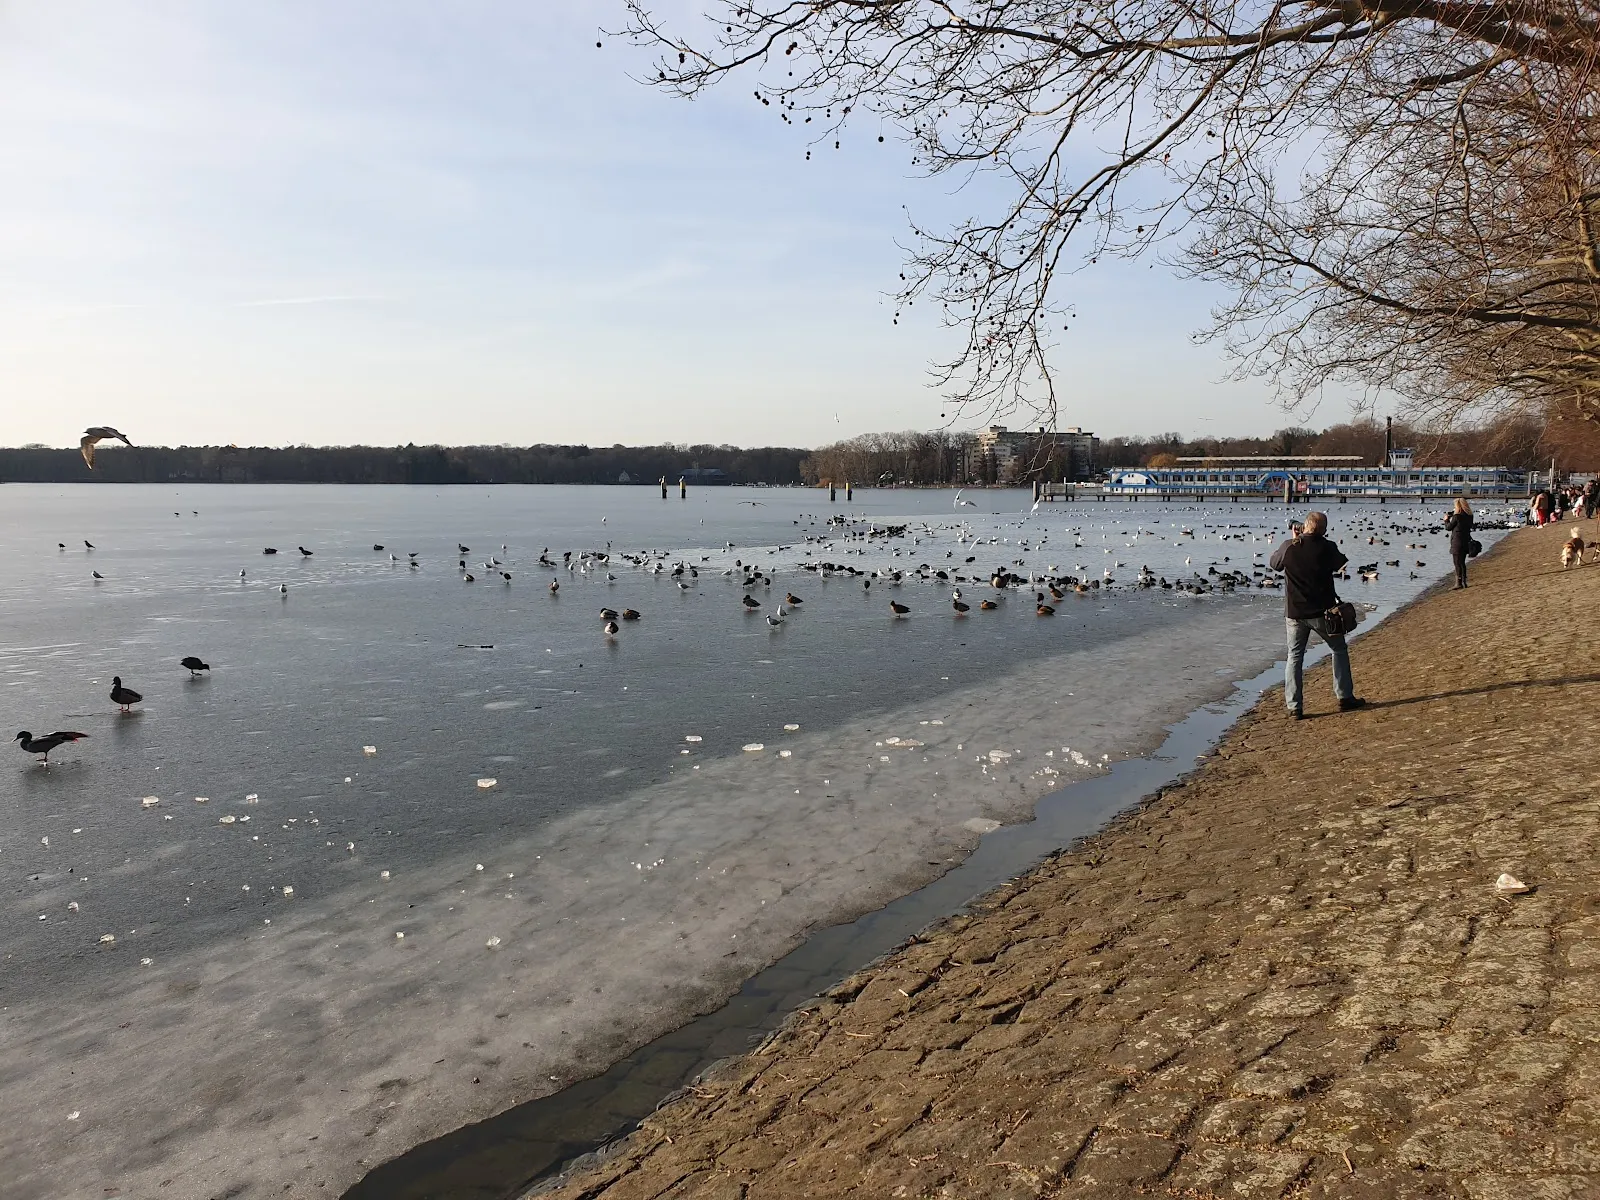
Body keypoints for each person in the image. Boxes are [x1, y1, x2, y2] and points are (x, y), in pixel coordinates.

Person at [1270, 511, 1365, 720]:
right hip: (1324, 613)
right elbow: (1341, 564)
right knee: (1338, 649)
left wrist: (1296, 540)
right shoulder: (1327, 547)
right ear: (1323, 529)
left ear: (1304, 527)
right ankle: (1344, 697)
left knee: (1294, 656)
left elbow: (1274, 565)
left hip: (1295, 613)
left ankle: (1295, 707)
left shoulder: (1288, 546)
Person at [1444, 497, 1474, 589]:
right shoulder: (1470, 516)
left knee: (1457, 562)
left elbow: (1448, 528)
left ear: (1458, 506)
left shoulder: (1457, 516)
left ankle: (1458, 583)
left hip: (1457, 541)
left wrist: (1446, 520)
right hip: (1466, 541)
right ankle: (1464, 582)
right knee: (1462, 562)